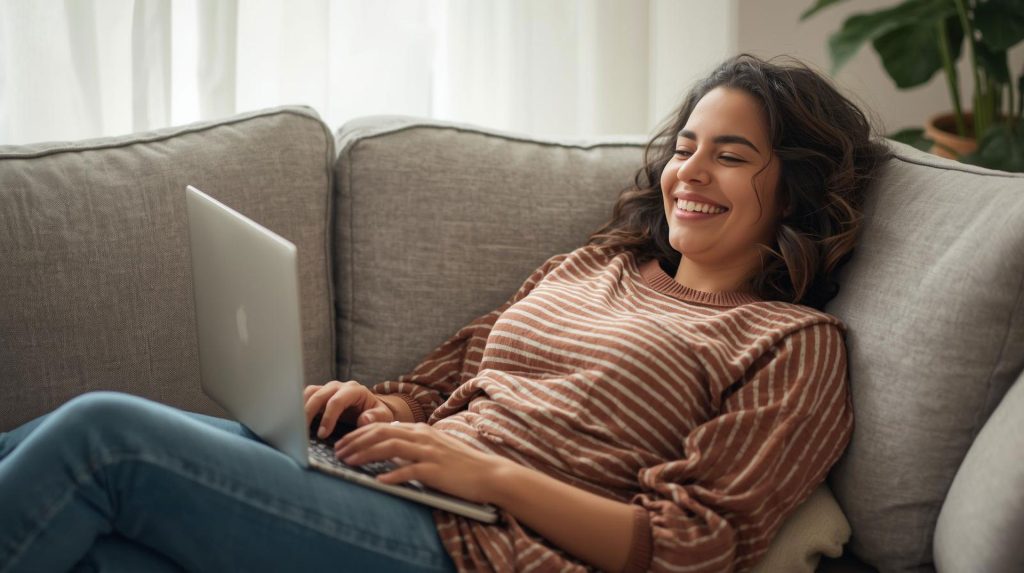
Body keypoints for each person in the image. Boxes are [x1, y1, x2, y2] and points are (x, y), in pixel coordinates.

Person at [0, 54, 888, 572]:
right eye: (686, 146)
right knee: (58, 482)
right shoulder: (599, 263)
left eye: (730, 156)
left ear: (798, 192)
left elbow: (689, 546)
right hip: (399, 486)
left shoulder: (790, 345)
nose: (689, 173)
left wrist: (488, 477)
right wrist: (384, 408)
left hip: (477, 547)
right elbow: (444, 379)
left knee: (102, 437)